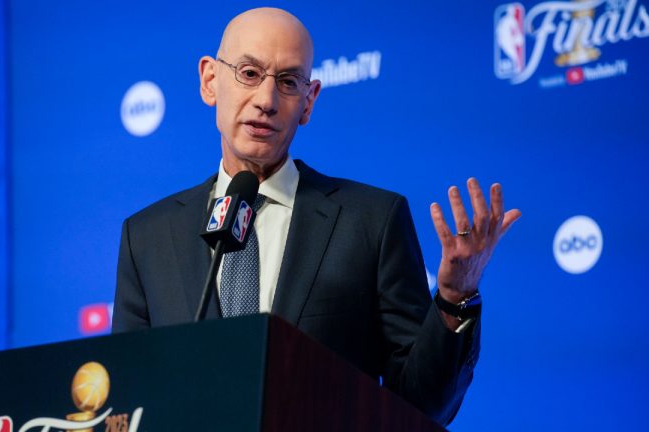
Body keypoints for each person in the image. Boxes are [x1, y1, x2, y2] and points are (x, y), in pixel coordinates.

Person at [112, 7, 521, 426]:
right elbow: (127, 399)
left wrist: (455, 297)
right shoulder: (147, 237)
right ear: (210, 80)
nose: (266, 101)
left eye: (288, 83)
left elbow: (420, 406)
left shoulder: (371, 222)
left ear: (308, 102)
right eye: (249, 73)